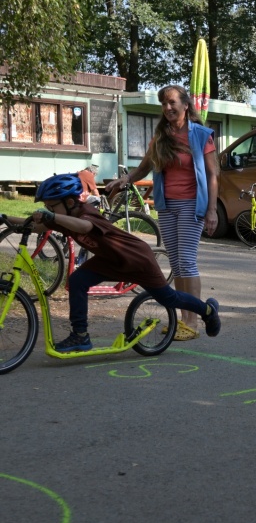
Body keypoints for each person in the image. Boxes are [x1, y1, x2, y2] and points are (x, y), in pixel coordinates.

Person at [11, 173, 220, 352]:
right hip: (110, 261)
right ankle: (80, 335)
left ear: (71, 202)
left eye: (52, 206)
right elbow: (35, 226)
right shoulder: (64, 217)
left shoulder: (85, 213)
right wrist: (6, 217)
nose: (50, 210)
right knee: (77, 280)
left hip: (137, 260)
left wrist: (52, 217)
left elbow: (84, 227)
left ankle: (208, 311)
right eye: (48, 207)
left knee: (169, 298)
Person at [105, 85, 219, 341]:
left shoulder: (201, 135)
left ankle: (193, 321)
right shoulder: (161, 137)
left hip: (192, 204)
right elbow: (144, 168)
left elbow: (212, 175)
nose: (167, 108)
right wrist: (123, 181)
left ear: (185, 105)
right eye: (163, 104)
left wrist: (211, 210)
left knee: (187, 261)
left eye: (172, 102)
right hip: (166, 206)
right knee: (177, 264)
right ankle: (183, 318)